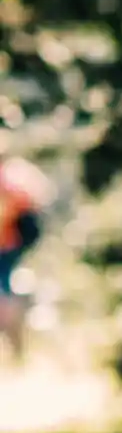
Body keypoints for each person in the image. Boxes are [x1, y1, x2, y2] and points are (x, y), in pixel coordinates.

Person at [0, 155, 48, 366]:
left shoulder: (7, 182)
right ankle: (16, 347)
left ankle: (15, 346)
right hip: (12, 243)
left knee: (4, 292)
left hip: (8, 244)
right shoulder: (14, 175)